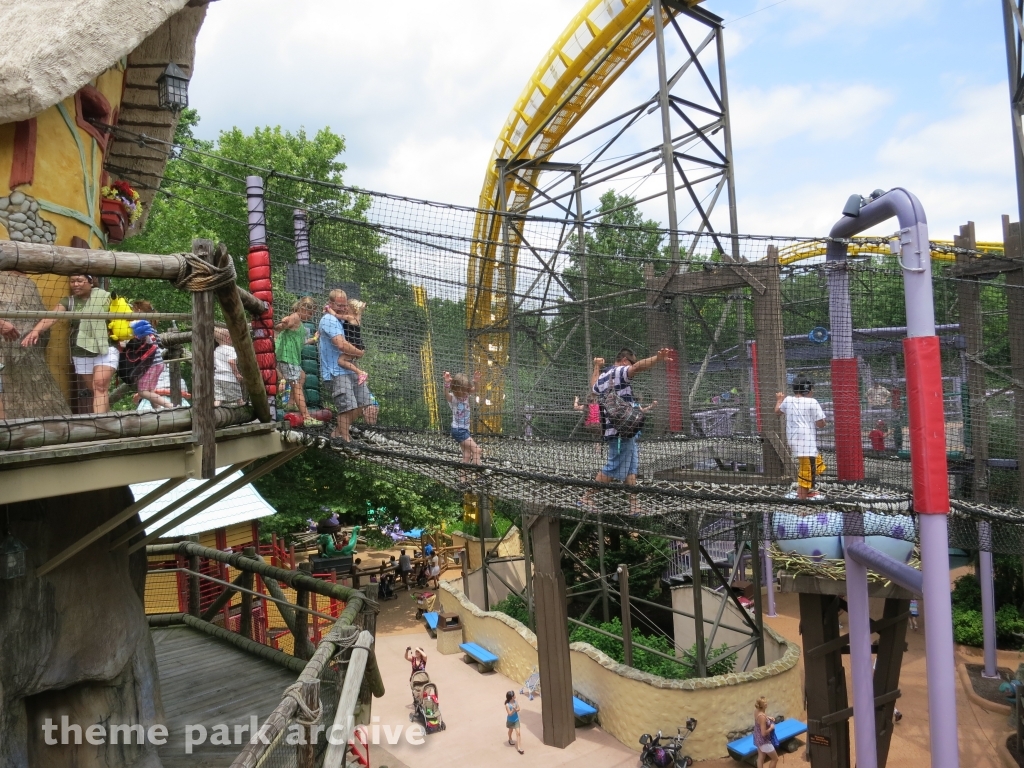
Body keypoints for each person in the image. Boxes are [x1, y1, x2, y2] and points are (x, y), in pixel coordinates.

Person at [583, 347, 672, 514]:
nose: (632, 367)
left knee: (631, 468)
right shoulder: (619, 372)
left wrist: (596, 366)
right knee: (614, 466)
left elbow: (593, 386)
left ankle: (634, 505)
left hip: (621, 431)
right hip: (621, 431)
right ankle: (587, 497)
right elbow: (637, 367)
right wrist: (657, 358)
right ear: (624, 361)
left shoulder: (603, 377)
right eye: (630, 362)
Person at [21, 274, 118, 414]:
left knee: (100, 385)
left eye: (80, 281)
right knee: (95, 389)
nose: (75, 284)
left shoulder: (105, 297)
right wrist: (36, 331)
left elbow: (123, 315)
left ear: (91, 282)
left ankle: (99, 425)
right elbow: (52, 316)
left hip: (105, 348)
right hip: (81, 350)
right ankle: (108, 421)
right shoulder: (69, 301)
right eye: (72, 281)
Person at [318, 290, 370, 445]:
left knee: (364, 403)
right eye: (339, 305)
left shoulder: (344, 319)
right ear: (332, 303)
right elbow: (341, 344)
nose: (342, 307)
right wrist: (359, 353)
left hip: (349, 367)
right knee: (347, 407)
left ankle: (336, 434)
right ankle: (344, 440)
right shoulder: (328, 320)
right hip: (336, 372)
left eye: (344, 304)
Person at [775, 377, 827, 499]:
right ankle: (802, 498)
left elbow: (777, 411)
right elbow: (820, 423)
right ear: (807, 389)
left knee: (816, 463)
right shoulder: (812, 402)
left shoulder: (787, 400)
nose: (812, 391)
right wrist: (823, 421)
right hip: (806, 440)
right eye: (811, 388)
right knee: (806, 468)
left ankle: (806, 491)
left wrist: (779, 400)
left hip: (794, 439)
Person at [275, 297, 317, 425]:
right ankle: (306, 417)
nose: (311, 316)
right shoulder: (295, 317)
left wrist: (314, 339)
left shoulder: (301, 325)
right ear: (302, 308)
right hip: (287, 358)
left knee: (302, 376)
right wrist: (284, 322)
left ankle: (290, 403)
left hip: (293, 359)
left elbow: (302, 342)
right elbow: (280, 326)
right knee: (297, 384)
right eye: (310, 313)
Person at [127, 320, 171, 410]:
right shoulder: (152, 329)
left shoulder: (137, 329)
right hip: (159, 363)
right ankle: (158, 411)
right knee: (150, 391)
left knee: (143, 392)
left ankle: (170, 406)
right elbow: (159, 343)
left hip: (148, 366)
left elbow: (131, 346)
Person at [325, 297, 369, 385]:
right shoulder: (357, 317)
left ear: (351, 308)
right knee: (350, 361)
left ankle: (360, 373)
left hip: (354, 345)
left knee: (341, 361)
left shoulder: (349, 317)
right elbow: (359, 312)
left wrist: (328, 309)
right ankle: (359, 376)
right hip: (359, 345)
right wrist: (361, 307)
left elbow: (337, 316)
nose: (345, 308)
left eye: (346, 306)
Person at [444, 370, 482, 465]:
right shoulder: (453, 398)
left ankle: (463, 479)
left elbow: (475, 389)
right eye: (462, 390)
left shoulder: (466, 394)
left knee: (467, 455)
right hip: (458, 430)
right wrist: (447, 383)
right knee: (477, 450)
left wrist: (475, 381)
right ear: (456, 389)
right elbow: (446, 394)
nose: (464, 392)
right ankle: (477, 476)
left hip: (465, 429)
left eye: (465, 390)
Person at [213, 327, 244, 405]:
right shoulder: (230, 349)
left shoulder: (216, 350)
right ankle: (242, 405)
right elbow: (231, 361)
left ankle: (214, 410)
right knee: (238, 398)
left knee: (218, 399)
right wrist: (237, 374)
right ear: (228, 338)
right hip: (229, 378)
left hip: (217, 378)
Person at [753, 696, 778, 768]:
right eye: (765, 703)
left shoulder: (757, 711)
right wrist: (771, 728)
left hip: (757, 738)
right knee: (775, 759)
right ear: (762, 706)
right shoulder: (762, 717)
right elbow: (763, 733)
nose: (767, 704)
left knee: (760, 758)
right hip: (764, 741)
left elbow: (762, 716)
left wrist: (768, 717)